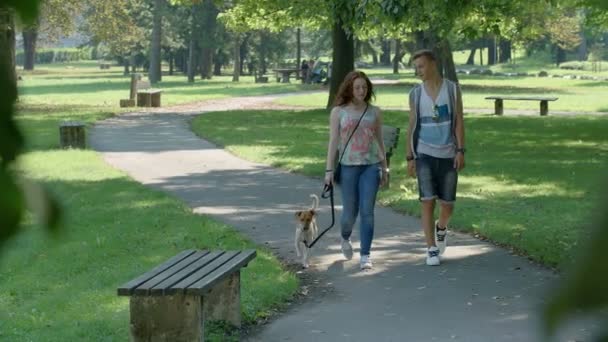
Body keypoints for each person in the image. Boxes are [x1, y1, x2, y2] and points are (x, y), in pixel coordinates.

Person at [405, 49, 465, 266]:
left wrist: (460, 150)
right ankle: (431, 249)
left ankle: (441, 228)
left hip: (448, 152)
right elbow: (412, 125)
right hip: (424, 152)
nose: (418, 71)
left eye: (421, 66)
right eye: (416, 67)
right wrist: (410, 156)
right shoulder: (415, 94)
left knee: (447, 205)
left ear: (432, 64)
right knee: (427, 200)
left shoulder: (452, 90)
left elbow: (458, 120)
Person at [324, 70, 389, 270]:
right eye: (357, 87)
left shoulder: (374, 111)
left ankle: (365, 255)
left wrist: (385, 167)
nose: (361, 91)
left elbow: (379, 141)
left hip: (370, 166)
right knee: (349, 214)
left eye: (364, 87)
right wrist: (328, 170)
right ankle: (345, 236)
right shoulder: (338, 112)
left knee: (367, 211)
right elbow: (333, 142)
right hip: (348, 168)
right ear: (350, 89)